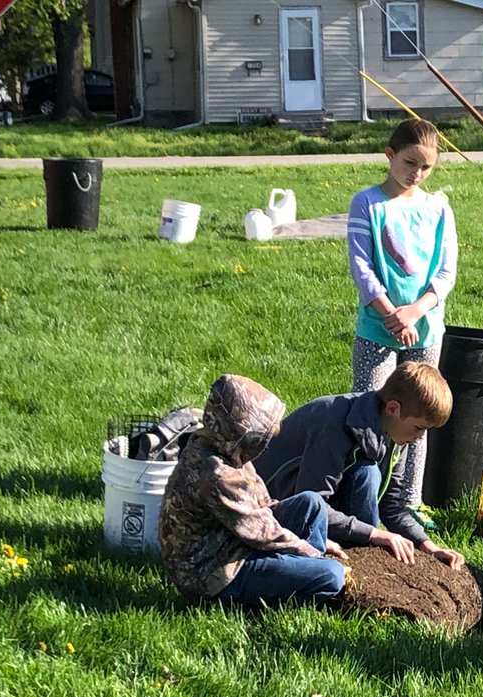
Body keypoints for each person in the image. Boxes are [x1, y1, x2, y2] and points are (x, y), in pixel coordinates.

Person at [347, 117, 457, 531]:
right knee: (370, 411)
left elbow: (446, 272)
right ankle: (362, 500)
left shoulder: (437, 208)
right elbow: (362, 267)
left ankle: (407, 502)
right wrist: (391, 312)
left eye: (427, 167)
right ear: (390, 155)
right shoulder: (368, 204)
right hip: (377, 329)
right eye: (410, 163)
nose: (417, 173)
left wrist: (416, 311)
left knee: (419, 416)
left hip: (425, 329)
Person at [158, 374, 349, 607]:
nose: (262, 445)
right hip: (216, 573)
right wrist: (310, 551)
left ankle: (303, 579)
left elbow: (263, 506)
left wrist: (305, 546)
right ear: (239, 433)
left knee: (311, 503)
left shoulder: (226, 449)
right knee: (331, 574)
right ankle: (312, 590)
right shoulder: (216, 474)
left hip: (235, 542)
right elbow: (261, 532)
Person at [254, 362, 465, 571]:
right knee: (367, 473)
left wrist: (427, 545)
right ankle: (356, 557)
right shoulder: (332, 422)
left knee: (367, 472)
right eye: (419, 428)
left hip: (316, 506)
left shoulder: (396, 432)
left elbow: (392, 507)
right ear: (393, 408)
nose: (420, 438)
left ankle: (359, 557)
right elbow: (312, 501)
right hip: (274, 511)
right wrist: (374, 534)